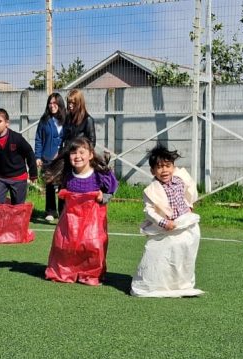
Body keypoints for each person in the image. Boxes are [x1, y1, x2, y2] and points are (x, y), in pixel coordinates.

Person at [130, 145, 203, 298]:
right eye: (159, 167)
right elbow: (149, 210)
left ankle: (180, 284)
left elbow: (188, 194)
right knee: (158, 254)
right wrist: (163, 222)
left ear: (173, 167)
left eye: (167, 166)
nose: (164, 171)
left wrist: (189, 205)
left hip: (184, 224)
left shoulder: (181, 180)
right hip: (166, 226)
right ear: (152, 171)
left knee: (183, 254)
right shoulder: (151, 190)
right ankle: (154, 284)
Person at [44, 136, 118, 286]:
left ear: (90, 155)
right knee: (65, 244)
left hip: (93, 219)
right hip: (71, 220)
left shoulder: (99, 174)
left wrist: (102, 197)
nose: (77, 156)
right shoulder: (67, 174)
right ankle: (67, 271)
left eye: (82, 152)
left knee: (93, 245)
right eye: (73, 153)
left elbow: (112, 189)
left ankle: (90, 273)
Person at [0, 108, 37, 204]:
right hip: (0, 177)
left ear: (7, 123)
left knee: (17, 207)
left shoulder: (17, 138)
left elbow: (29, 153)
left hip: (19, 177)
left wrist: (33, 173)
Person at [34, 93, 66, 221]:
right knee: (50, 185)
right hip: (47, 157)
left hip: (64, 158)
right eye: (50, 103)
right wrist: (37, 156)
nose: (52, 106)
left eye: (55, 103)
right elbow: (38, 139)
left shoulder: (67, 119)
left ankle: (63, 211)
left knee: (63, 186)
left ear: (60, 104)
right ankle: (50, 212)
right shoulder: (44, 120)